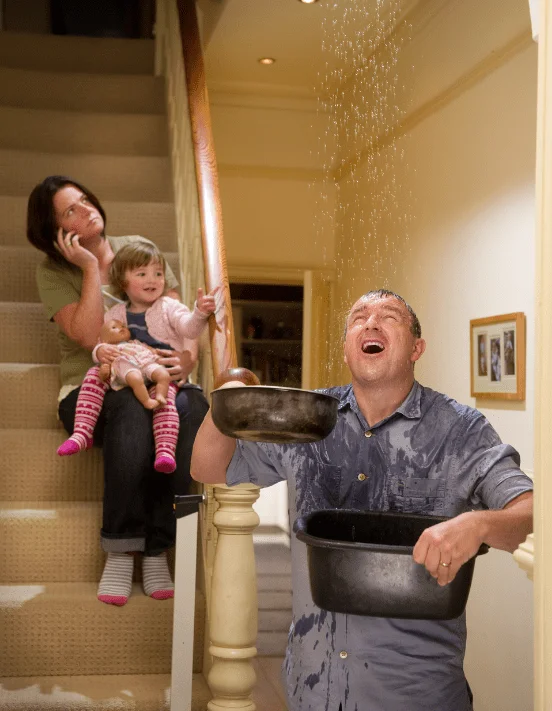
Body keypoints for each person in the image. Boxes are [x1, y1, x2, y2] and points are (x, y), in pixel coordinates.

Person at [190, 288, 533, 711]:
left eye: (388, 316)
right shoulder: (308, 417)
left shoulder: (461, 432)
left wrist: (478, 524)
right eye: (358, 318)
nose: (370, 322)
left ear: (416, 348)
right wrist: (224, 400)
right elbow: (208, 469)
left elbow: (532, 513)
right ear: (347, 349)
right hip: (311, 689)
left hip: (415, 693)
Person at [28, 175, 210, 607]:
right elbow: (90, 335)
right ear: (54, 229)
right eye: (71, 209)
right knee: (130, 408)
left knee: (194, 406)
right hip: (92, 387)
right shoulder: (53, 271)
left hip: (156, 375)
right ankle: (122, 546)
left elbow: (179, 317)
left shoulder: (137, 247)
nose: (87, 209)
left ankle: (156, 549)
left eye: (86, 199)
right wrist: (91, 267)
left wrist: (187, 359)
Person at [56, 241, 216, 475]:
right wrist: (99, 352)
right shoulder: (115, 313)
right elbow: (103, 343)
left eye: (158, 273)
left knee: (164, 401)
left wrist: (199, 312)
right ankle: (82, 432)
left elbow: (189, 329)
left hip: (157, 372)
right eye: (142, 274)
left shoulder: (169, 306)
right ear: (123, 282)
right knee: (93, 376)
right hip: (126, 370)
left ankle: (164, 451)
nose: (153, 279)